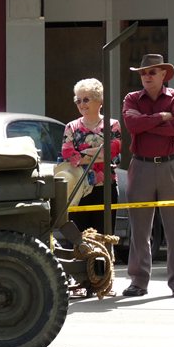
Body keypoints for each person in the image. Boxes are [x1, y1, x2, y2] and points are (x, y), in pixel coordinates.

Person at [121, 54, 174, 298]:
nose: (146, 76)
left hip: (171, 166)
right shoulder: (131, 98)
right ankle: (138, 281)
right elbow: (131, 125)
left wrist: (146, 122)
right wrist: (162, 118)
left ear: (163, 75)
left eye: (152, 72)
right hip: (141, 166)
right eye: (142, 72)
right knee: (139, 229)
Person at [60, 78, 121, 237]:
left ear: (99, 100)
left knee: (104, 238)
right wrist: (99, 152)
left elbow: (112, 154)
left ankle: (102, 264)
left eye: (86, 99)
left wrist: (82, 154)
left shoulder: (112, 125)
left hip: (105, 189)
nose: (81, 104)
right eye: (78, 100)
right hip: (77, 189)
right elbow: (68, 155)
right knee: (79, 241)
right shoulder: (71, 127)